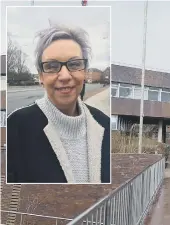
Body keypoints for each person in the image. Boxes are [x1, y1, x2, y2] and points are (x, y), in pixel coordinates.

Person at [7, 25, 110, 183]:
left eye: (74, 64)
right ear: (41, 76)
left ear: (84, 71)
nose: (64, 76)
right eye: (52, 66)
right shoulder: (16, 127)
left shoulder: (105, 124)